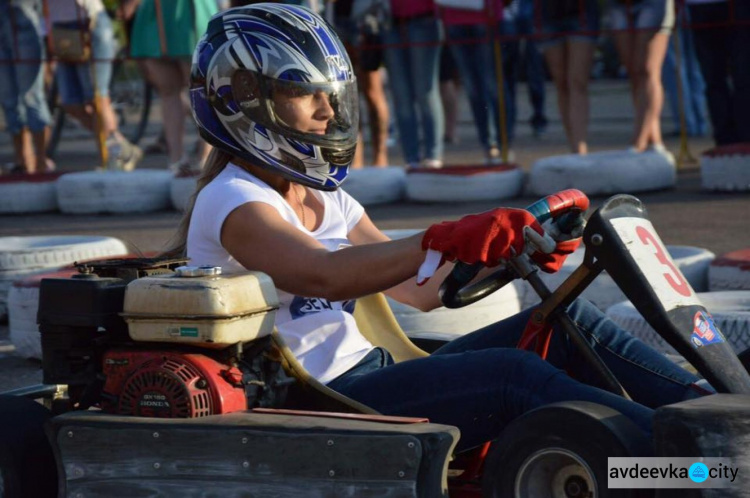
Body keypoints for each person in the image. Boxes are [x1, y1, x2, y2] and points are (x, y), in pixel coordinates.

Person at [178, 3, 710, 452]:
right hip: (315, 400)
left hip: (373, 369)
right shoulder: (232, 201)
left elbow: (423, 289)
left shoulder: (324, 195)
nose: (325, 110)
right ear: (243, 100)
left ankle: (711, 416)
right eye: (303, 92)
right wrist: (442, 236)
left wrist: (509, 249)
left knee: (567, 318)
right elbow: (323, 275)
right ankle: (691, 469)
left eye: (329, 94)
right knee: (510, 375)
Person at [48, 0, 142, 171]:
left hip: (90, 23)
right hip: (60, 28)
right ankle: (121, 146)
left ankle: (110, 158)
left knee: (98, 97)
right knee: (70, 102)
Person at [126, 0, 218, 174]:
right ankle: (176, 159)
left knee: (200, 88)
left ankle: (206, 157)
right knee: (168, 91)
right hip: (155, 13)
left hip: (187, 11)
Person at [440, 0, 510, 164]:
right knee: (473, 90)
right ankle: (488, 145)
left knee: (492, 86)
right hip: (453, 19)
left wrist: (496, 12)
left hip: (486, 19)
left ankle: (503, 144)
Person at [609, 0, 676, 160]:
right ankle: (654, 139)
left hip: (653, 3)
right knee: (633, 70)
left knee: (647, 69)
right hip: (619, 4)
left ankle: (639, 141)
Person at [382, 0, 444, 169]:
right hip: (390, 23)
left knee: (426, 92)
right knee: (401, 96)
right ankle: (411, 159)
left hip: (424, 20)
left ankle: (433, 155)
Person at [537, 0, 600, 154]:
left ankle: (579, 146)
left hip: (582, 11)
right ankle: (573, 145)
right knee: (561, 82)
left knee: (577, 81)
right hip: (548, 12)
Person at [334, 0, 390, 168]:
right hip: (336, 20)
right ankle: (355, 158)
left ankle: (380, 156)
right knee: (346, 95)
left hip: (365, 21)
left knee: (373, 92)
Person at [686, 0, 750, 146]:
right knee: (712, 77)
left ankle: (745, 134)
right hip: (700, 6)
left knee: (743, 76)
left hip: (738, 7)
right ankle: (724, 137)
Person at [0, 0, 53, 174]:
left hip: (21, 16)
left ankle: (42, 160)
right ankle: (22, 159)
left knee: (31, 96)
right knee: (8, 99)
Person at [660, 2, 706, 138]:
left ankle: (686, 124)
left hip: (671, 8)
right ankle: (697, 122)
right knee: (692, 66)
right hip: (693, 7)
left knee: (675, 66)